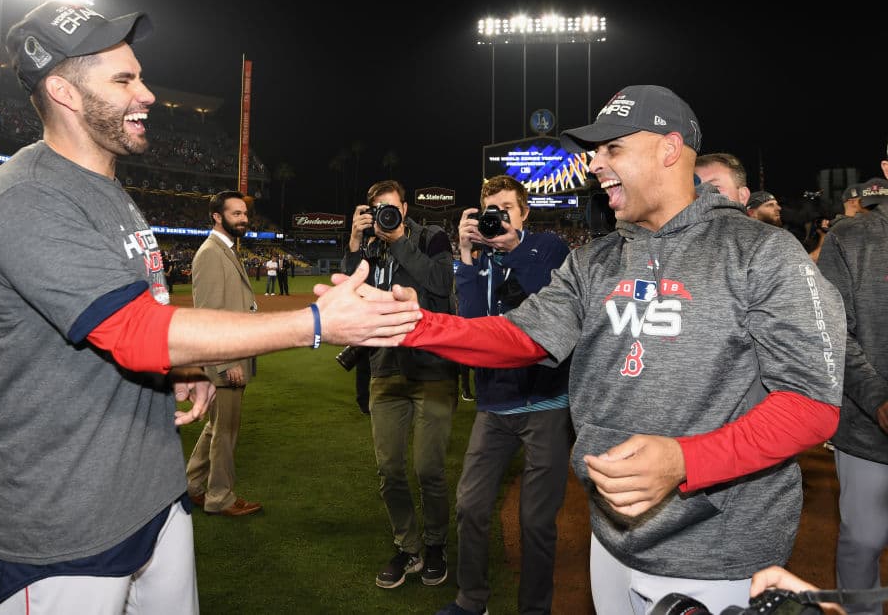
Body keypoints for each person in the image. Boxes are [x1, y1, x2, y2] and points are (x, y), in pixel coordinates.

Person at [0, 0, 422, 614]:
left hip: (150, 490)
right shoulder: (28, 195)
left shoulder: (106, 188)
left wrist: (180, 366)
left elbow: (120, 323)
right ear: (63, 92)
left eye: (140, 76)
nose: (147, 94)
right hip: (65, 517)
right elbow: (134, 330)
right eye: (124, 80)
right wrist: (317, 322)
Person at [357, 85, 845, 613]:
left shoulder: (762, 252)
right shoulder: (596, 260)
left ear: (669, 149)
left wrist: (686, 460)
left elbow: (812, 404)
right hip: (611, 539)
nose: (594, 164)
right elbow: (520, 336)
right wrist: (413, 324)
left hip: (717, 557)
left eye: (612, 148)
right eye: (595, 151)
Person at [437, 175, 572, 615]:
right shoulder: (481, 261)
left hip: (546, 400)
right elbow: (473, 326)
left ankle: (534, 609)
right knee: (470, 505)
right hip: (495, 403)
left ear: (524, 212)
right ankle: (471, 600)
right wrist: (465, 258)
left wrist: (511, 248)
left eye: (506, 209)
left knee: (536, 520)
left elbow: (547, 306)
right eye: (490, 211)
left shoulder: (548, 248)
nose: (497, 218)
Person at [343, 179, 459, 590]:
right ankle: (408, 547)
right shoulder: (369, 248)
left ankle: (435, 545)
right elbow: (348, 298)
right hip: (385, 368)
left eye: (392, 209)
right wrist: (355, 244)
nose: (386, 217)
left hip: (432, 369)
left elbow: (440, 284)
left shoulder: (432, 237)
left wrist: (399, 242)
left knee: (429, 469)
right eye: (379, 211)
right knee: (389, 468)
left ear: (405, 209)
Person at [817, 159, 888, 615]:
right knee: (863, 541)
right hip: (868, 431)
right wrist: (878, 399)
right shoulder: (851, 237)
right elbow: (831, 332)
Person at [185, 190, 262, 517]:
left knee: (217, 427)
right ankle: (220, 497)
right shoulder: (210, 253)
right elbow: (209, 314)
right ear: (217, 217)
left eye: (244, 214)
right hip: (226, 360)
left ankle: (192, 486)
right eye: (236, 214)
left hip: (232, 354)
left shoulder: (225, 249)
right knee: (226, 432)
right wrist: (227, 361)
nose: (243, 219)